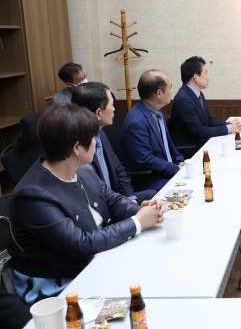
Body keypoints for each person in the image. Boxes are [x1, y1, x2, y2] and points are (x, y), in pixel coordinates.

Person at [7, 104, 165, 304]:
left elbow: (112, 200)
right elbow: (81, 244)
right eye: (92, 138)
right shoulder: (32, 196)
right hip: (59, 284)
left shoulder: (83, 169)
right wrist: (137, 222)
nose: (96, 143)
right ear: (76, 148)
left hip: (97, 260)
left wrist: (145, 211)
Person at [72, 82, 158, 204]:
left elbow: (119, 170)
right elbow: (94, 194)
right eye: (112, 105)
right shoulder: (79, 147)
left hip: (117, 199)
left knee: (153, 196)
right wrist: (128, 209)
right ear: (98, 113)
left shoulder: (101, 135)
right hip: (102, 206)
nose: (114, 109)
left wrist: (130, 198)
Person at [118, 70, 185, 191]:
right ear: (159, 93)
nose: (171, 92)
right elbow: (146, 159)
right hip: (150, 179)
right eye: (169, 88)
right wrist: (175, 169)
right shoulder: (136, 122)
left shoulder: (156, 112)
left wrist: (180, 161)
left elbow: (168, 144)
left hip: (164, 171)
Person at [169, 56, 241, 159]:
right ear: (196, 77)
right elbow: (200, 131)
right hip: (191, 150)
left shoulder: (197, 94)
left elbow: (209, 119)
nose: (208, 77)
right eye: (205, 73)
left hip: (201, 144)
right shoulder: (184, 99)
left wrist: (229, 124)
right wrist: (229, 129)